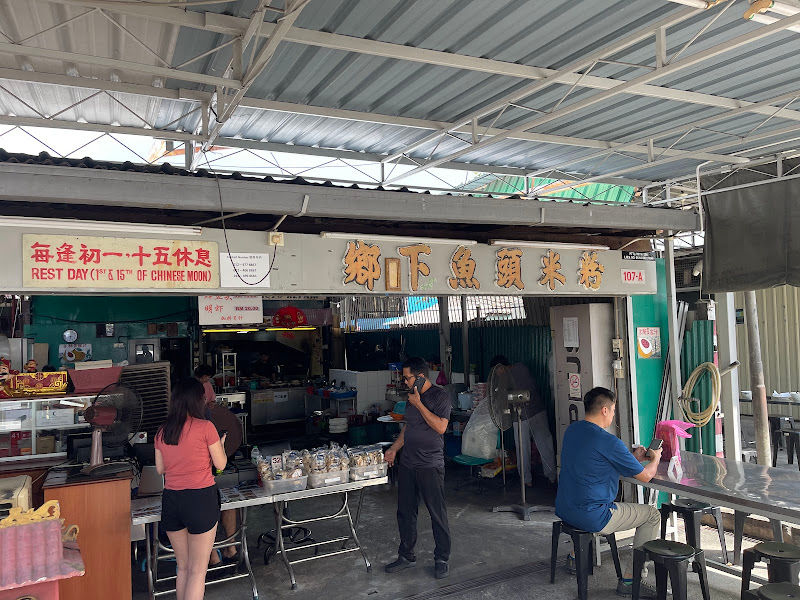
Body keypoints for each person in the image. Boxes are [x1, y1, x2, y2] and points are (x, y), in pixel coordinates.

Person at [556, 387, 662, 598]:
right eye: (613, 410)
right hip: (593, 515)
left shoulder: (573, 430)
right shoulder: (608, 441)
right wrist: (656, 457)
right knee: (652, 515)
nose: (613, 414)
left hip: (565, 508)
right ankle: (632, 580)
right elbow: (646, 477)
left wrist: (632, 458)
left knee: (587, 500)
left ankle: (575, 557)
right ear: (605, 410)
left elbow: (595, 462)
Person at [154, 378, 227, 600]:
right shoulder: (206, 427)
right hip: (200, 499)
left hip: (172, 501)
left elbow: (160, 469)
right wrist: (220, 446)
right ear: (198, 400)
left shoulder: (163, 431)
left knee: (183, 568)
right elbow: (220, 465)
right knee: (197, 571)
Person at [385, 357, 452, 580]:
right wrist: (395, 448)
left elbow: (441, 427)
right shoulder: (411, 399)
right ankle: (406, 555)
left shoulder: (439, 396)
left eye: (407, 377)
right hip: (408, 464)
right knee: (405, 512)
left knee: (437, 513)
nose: (404, 382)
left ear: (420, 377)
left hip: (430, 465)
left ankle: (442, 558)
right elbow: (408, 427)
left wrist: (419, 405)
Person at [489, 355, 556, 485]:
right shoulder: (520, 369)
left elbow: (520, 395)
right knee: (545, 445)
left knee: (523, 448)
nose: (496, 374)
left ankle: (526, 480)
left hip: (523, 415)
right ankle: (552, 476)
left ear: (500, 367)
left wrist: (504, 398)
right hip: (536, 411)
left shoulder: (512, 373)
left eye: (496, 371)